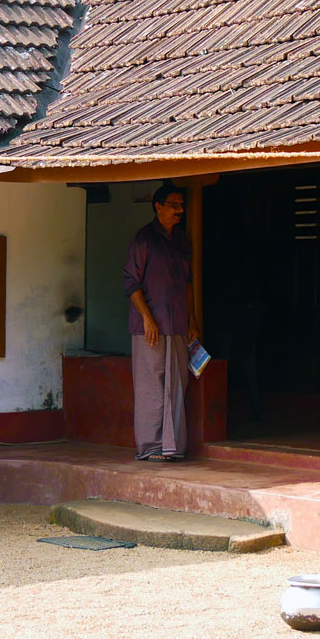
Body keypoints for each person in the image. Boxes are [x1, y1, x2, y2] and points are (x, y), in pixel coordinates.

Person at [123, 182, 197, 462]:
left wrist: (192, 320)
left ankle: (173, 446)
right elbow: (131, 283)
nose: (179, 210)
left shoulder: (182, 241)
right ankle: (151, 447)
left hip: (177, 324)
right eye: (174, 205)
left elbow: (187, 284)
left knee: (177, 384)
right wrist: (147, 318)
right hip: (149, 329)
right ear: (158, 207)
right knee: (150, 386)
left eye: (181, 206)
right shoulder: (143, 240)